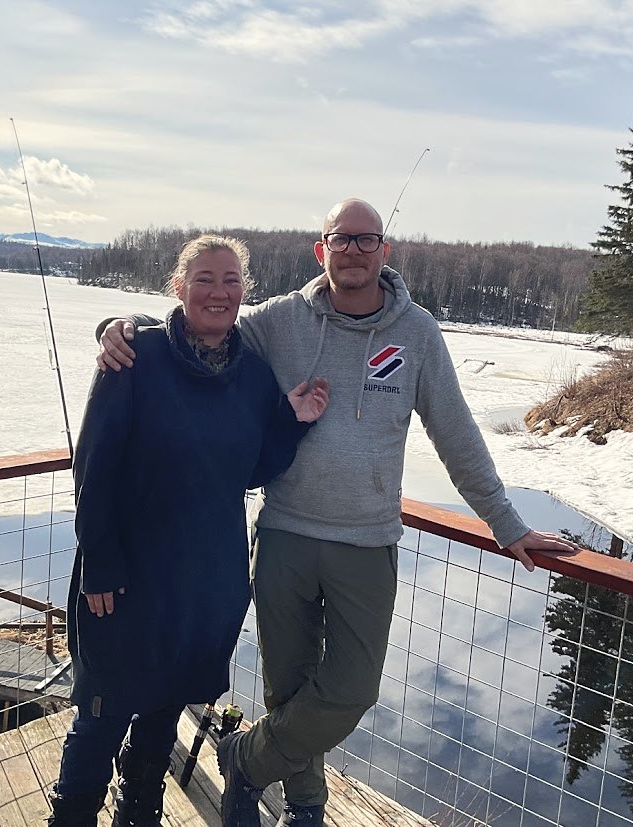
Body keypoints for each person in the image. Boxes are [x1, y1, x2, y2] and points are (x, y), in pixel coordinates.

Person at [96, 199, 578, 827]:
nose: (353, 250)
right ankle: (305, 806)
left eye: (366, 239)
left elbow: (456, 434)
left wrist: (506, 523)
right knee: (287, 689)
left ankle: (246, 759)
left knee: (351, 691)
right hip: (286, 533)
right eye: (340, 239)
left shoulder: (418, 333)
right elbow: (203, 324)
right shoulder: (280, 321)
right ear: (320, 251)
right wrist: (119, 322)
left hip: (366, 540)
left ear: (386, 250)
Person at [49, 234, 329, 827]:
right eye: (204, 278)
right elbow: (93, 468)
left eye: (231, 280)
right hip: (124, 576)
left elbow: (249, 471)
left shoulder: (253, 376)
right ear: (179, 287)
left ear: (244, 292)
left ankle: (140, 815)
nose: (219, 292)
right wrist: (99, 562)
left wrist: (293, 425)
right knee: (102, 715)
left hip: (205, 582)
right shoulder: (135, 358)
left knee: (159, 720)